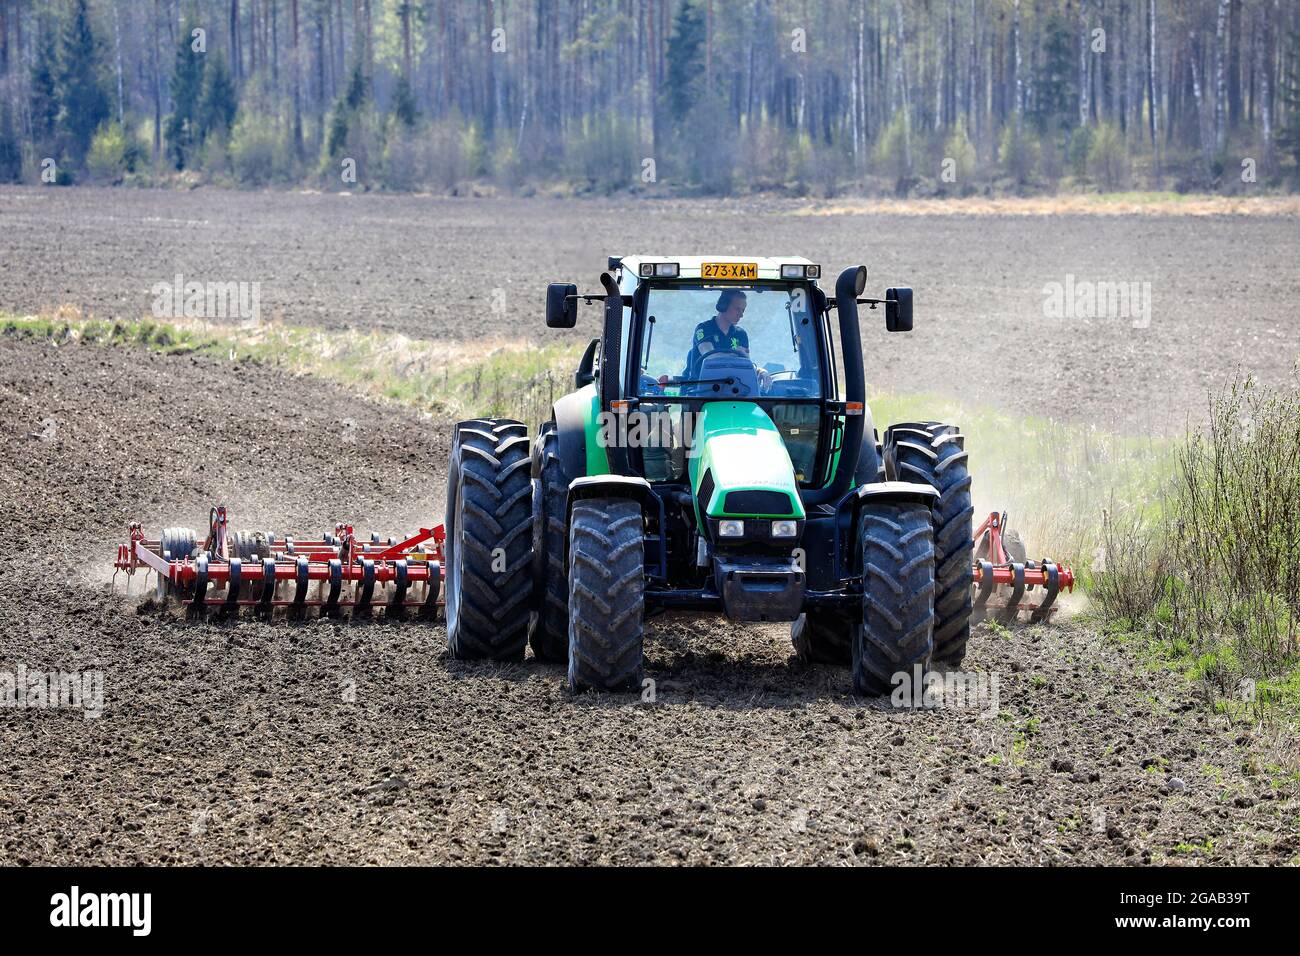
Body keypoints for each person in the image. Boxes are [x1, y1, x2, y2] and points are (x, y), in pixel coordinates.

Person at [683, 289, 771, 388]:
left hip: (733, 389)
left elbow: (745, 365)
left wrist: (761, 371)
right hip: (700, 390)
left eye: (743, 310)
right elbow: (709, 356)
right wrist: (735, 354)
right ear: (723, 306)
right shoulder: (704, 328)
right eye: (737, 309)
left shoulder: (741, 334)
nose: (741, 315)